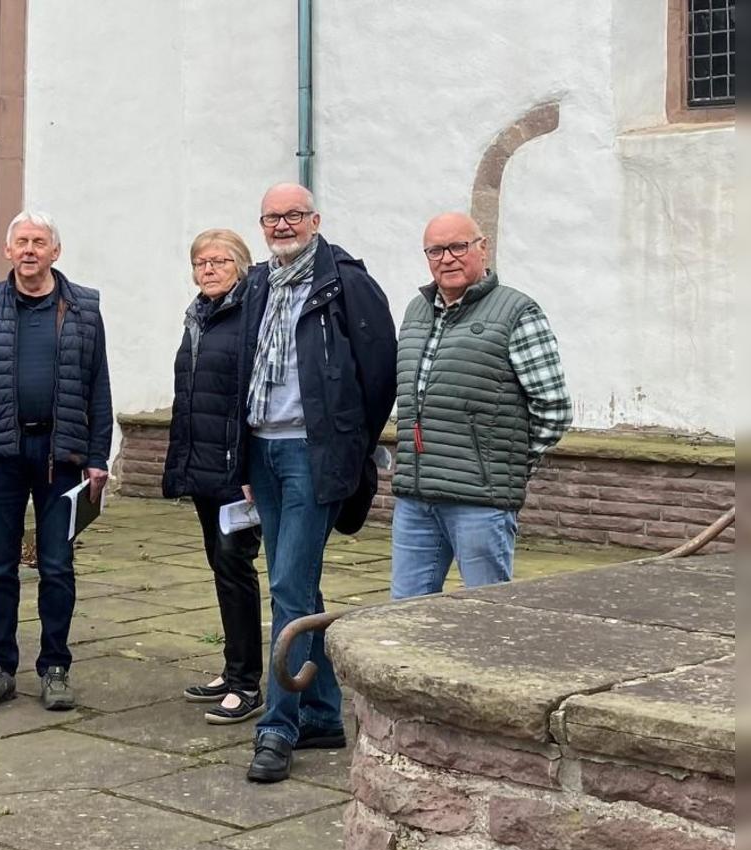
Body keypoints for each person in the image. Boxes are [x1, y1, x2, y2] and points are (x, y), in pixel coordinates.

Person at [241, 183, 396, 783]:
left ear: (316, 219)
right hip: (263, 452)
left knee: (287, 585)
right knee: (298, 585)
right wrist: (240, 463)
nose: (283, 225)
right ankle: (325, 714)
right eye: (272, 217)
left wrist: (346, 449)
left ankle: (277, 726)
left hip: (312, 455)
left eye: (293, 215)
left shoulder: (346, 283)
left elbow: (378, 375)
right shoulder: (258, 282)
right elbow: (241, 373)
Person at [0, 211, 113, 712]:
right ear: (7, 251)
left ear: (54, 252)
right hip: (1, 454)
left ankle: (55, 667)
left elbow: (98, 388)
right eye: (21, 241)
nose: (29, 250)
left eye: (39, 242)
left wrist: (97, 457)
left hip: (61, 458)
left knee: (58, 568)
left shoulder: (83, 307)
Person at [389, 212, 572, 599]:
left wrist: (506, 463)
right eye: (435, 250)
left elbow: (553, 409)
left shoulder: (517, 312)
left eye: (458, 246)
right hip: (416, 497)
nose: (447, 258)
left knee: (486, 615)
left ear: (482, 248)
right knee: (402, 618)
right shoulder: (415, 311)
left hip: (480, 501)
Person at [162, 229, 267, 726]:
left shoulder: (249, 316)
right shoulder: (198, 316)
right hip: (206, 468)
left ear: (240, 266)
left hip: (237, 476)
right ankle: (233, 669)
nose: (208, 269)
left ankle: (248, 684)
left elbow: (251, 396)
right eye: (200, 262)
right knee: (222, 570)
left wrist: (247, 467)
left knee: (235, 568)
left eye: (219, 261)